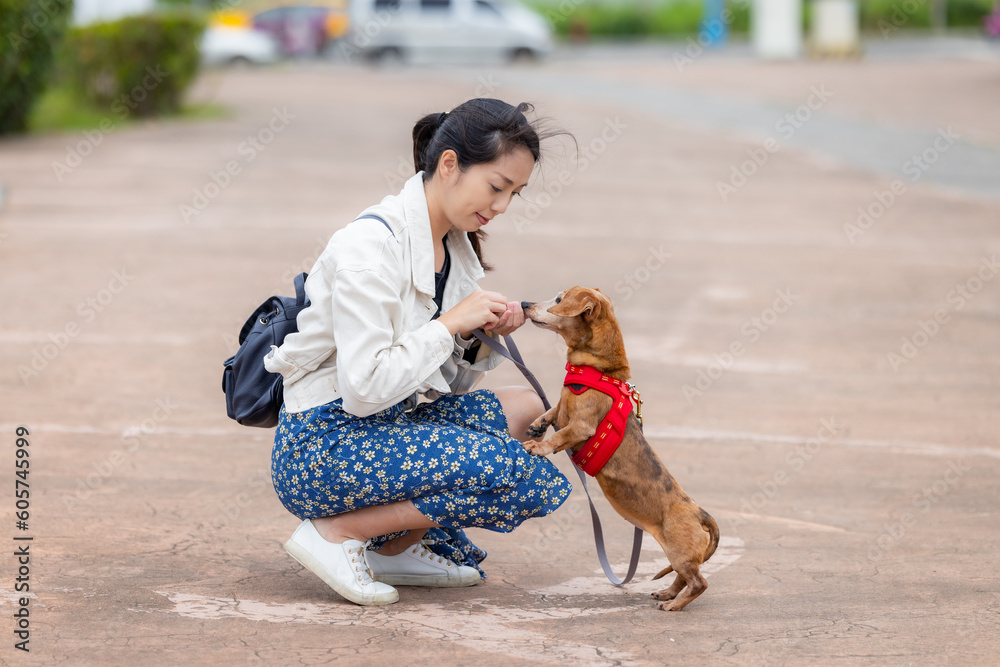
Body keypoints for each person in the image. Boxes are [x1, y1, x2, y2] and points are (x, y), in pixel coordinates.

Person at [264, 98, 577, 606]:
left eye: (514, 194)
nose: (501, 207)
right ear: (449, 164)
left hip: (390, 429)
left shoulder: (456, 251)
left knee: (527, 410)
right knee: (501, 466)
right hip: (323, 446)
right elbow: (364, 391)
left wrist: (473, 340)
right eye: (497, 187)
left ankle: (395, 551)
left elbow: (439, 389)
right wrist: (450, 323)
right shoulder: (368, 248)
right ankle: (337, 533)